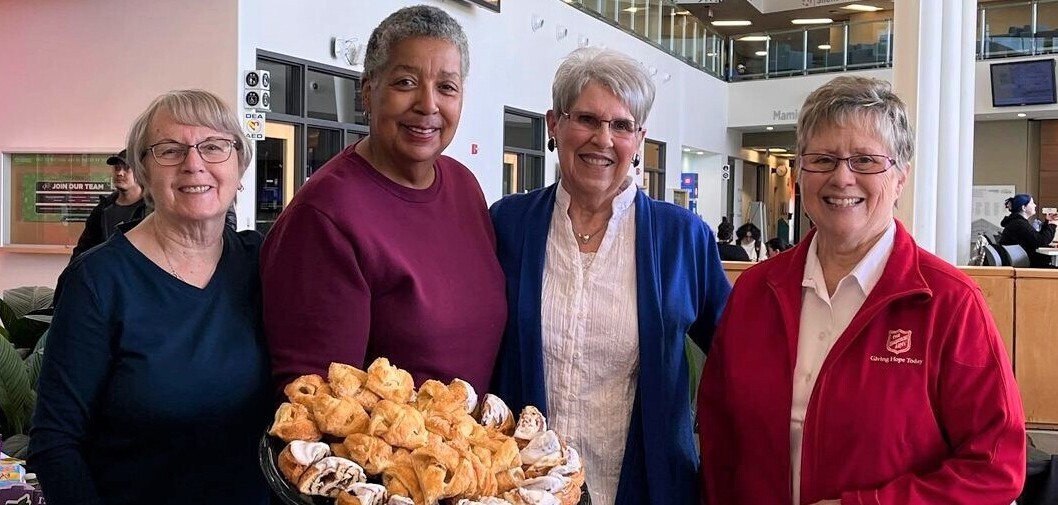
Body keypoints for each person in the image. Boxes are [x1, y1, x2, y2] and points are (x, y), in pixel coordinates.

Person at [698, 75, 1025, 505]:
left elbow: (997, 466)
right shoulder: (757, 290)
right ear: (800, 172)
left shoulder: (950, 303)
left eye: (865, 161)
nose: (842, 178)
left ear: (901, 177)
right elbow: (721, 437)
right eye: (823, 159)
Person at [490, 47, 731, 505]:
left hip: (649, 488)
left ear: (638, 139)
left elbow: (736, 355)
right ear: (553, 125)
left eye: (621, 125)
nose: (603, 139)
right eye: (586, 119)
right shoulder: (508, 225)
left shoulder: (683, 238)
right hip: (520, 488)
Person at [30, 90, 272, 505]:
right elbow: (55, 443)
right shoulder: (99, 281)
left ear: (240, 164)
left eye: (214, 147)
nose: (194, 163)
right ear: (143, 170)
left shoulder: (262, 263)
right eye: (170, 150)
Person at [260, 6, 506, 393]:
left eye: (446, 87)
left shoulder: (464, 186)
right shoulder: (326, 216)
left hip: (471, 447)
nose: (428, 105)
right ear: (368, 90)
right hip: (387, 452)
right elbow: (318, 403)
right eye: (406, 82)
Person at [69, 149, 147, 262]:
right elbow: (84, 248)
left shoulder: (152, 209)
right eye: (117, 168)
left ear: (139, 172)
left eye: (126, 168)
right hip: (106, 275)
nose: (120, 173)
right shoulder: (103, 209)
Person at [999, 193, 1057, 267]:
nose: (1035, 205)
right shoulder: (1019, 224)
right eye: (1032, 203)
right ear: (1024, 207)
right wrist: (1052, 224)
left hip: (1022, 262)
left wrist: (1047, 222)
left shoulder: (1016, 222)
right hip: (1026, 265)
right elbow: (1041, 241)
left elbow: (1037, 238)